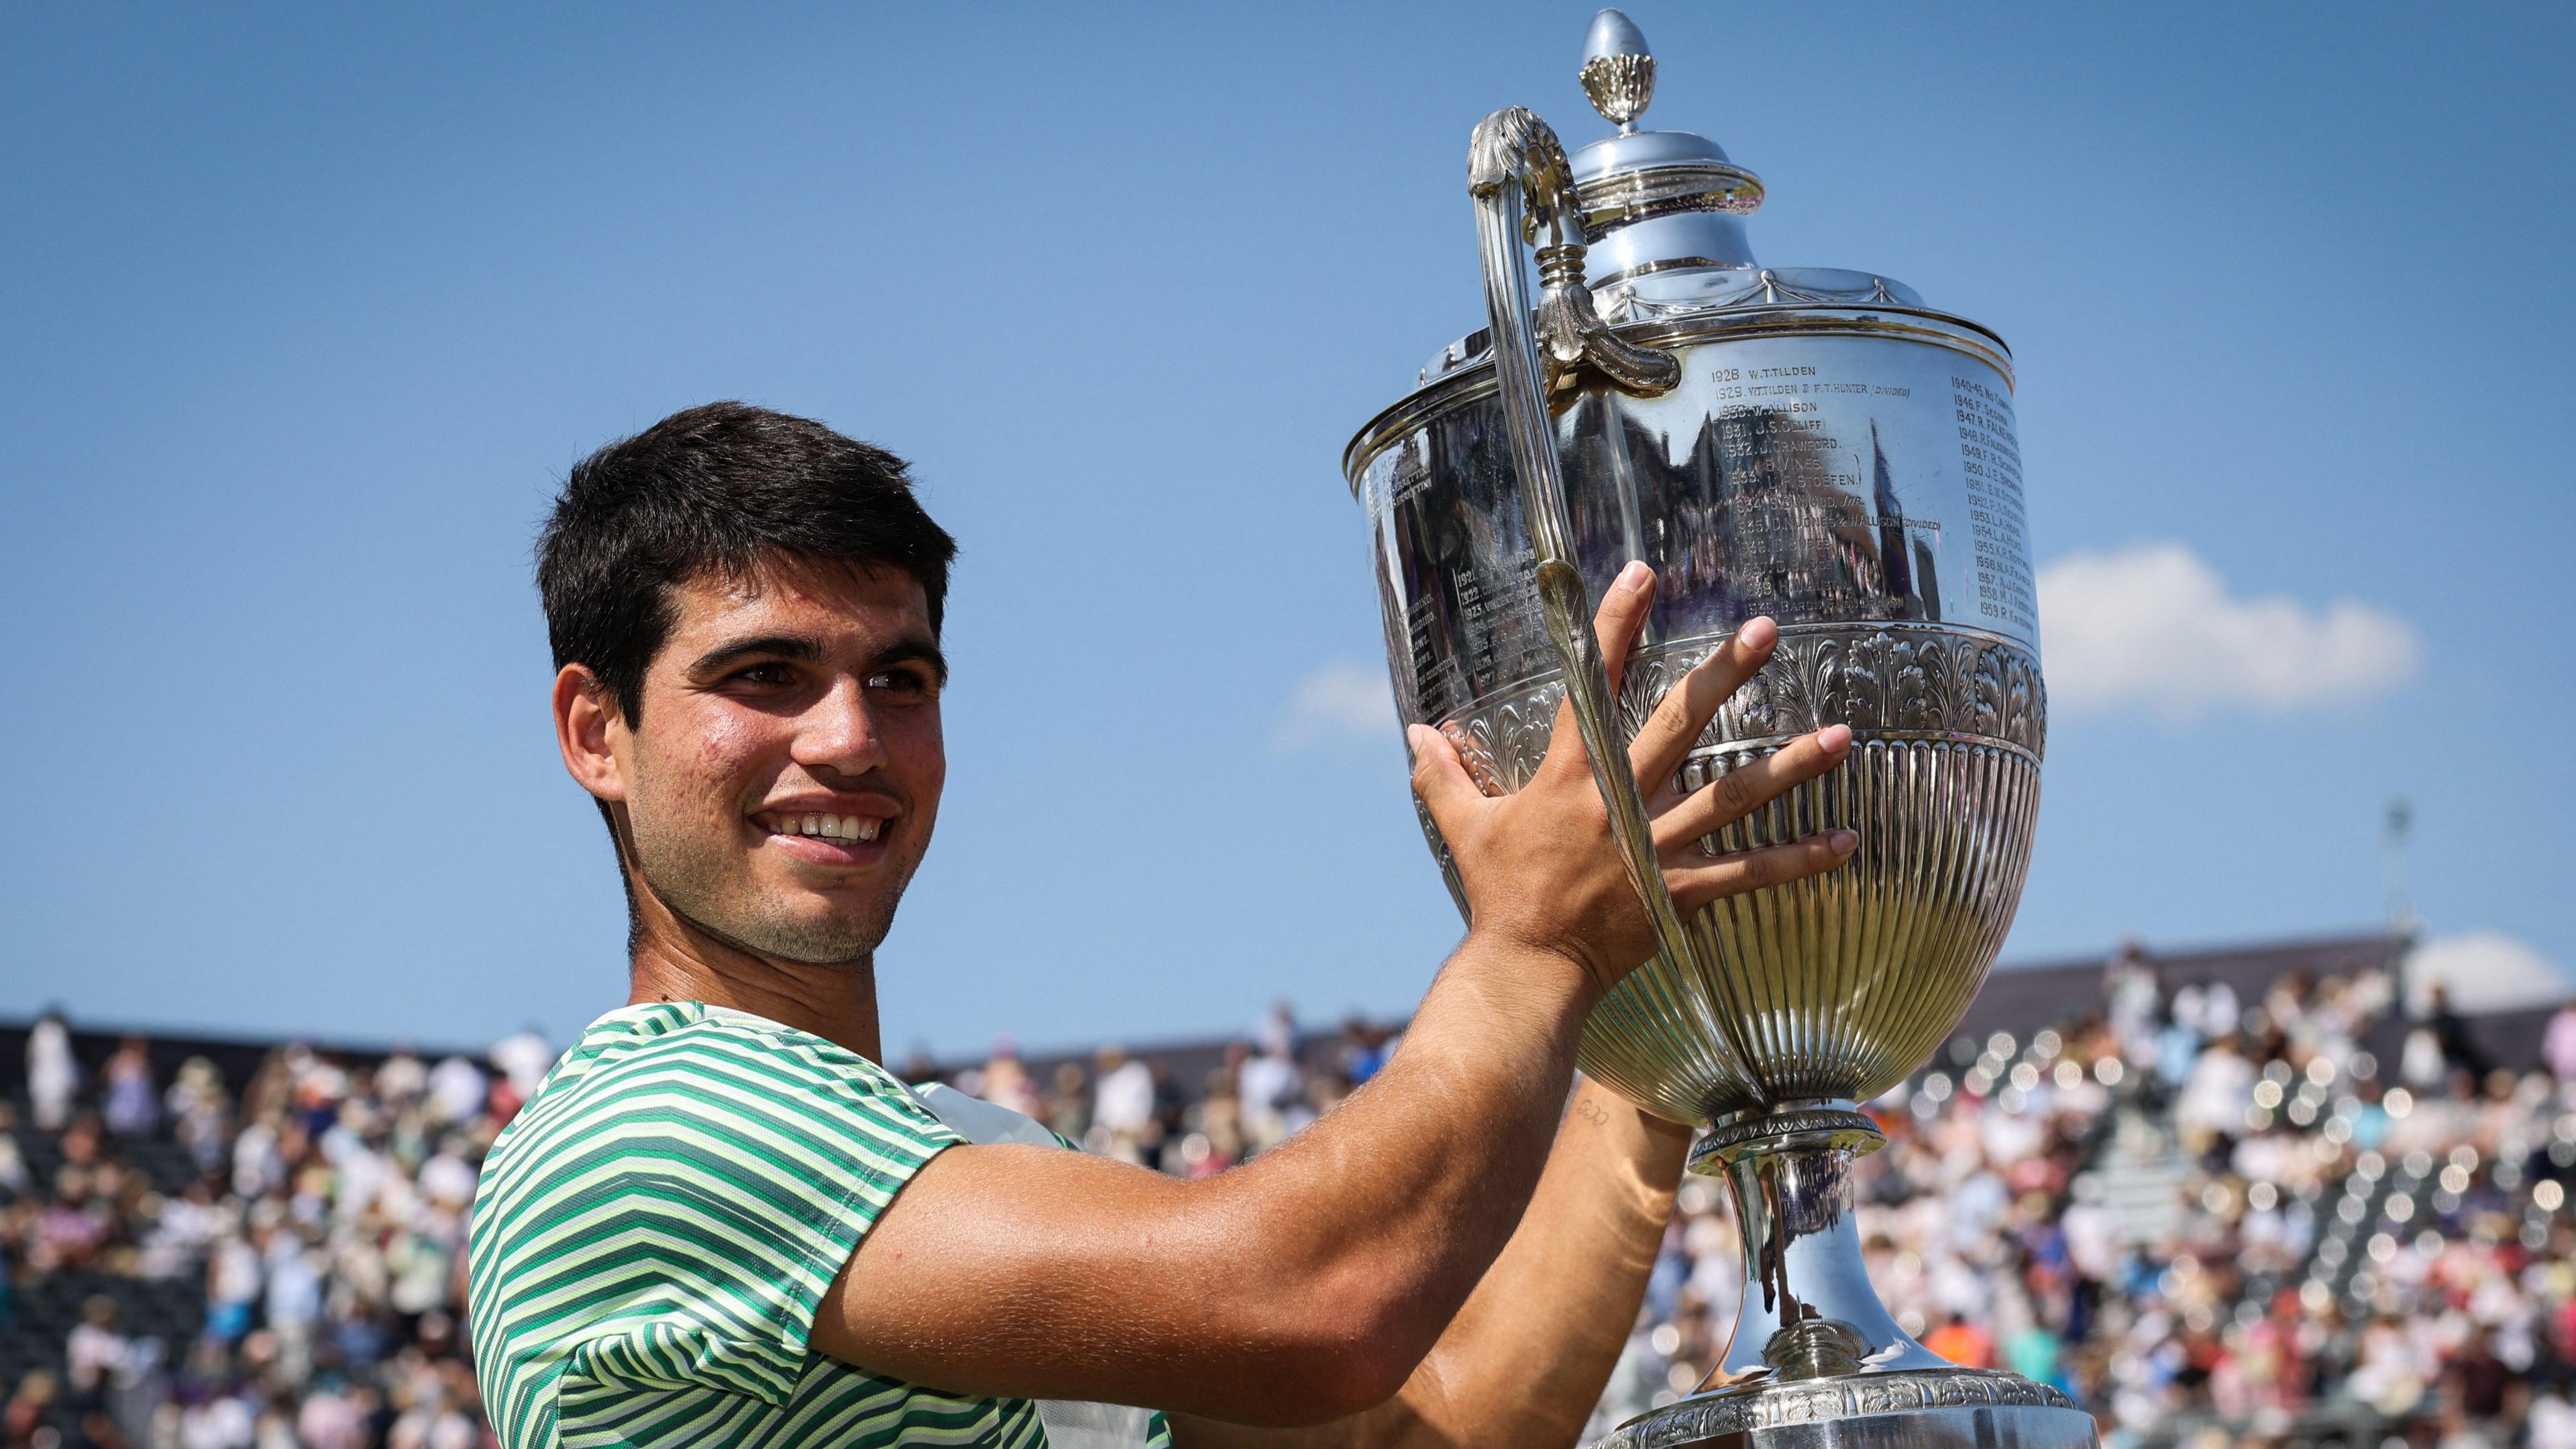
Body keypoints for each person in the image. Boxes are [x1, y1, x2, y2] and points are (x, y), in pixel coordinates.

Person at [466, 403, 1860, 1449]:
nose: (848, 737)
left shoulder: (968, 1163)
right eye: (762, 675)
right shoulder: (645, 1131)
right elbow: (1317, 1306)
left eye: (898, 676)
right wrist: (1540, 943)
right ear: (598, 731)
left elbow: (1434, 1425)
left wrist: (1654, 1027)